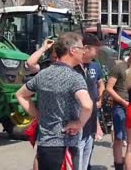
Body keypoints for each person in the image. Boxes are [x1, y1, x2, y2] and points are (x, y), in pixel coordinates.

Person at [16, 32, 93, 170]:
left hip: (45, 144)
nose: (84, 51)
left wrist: (38, 115)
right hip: (67, 144)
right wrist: (79, 123)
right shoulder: (74, 77)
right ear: (72, 50)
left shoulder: (43, 74)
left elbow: (21, 94)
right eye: (82, 48)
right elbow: (87, 105)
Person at [25, 39, 56, 170]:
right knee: (41, 152)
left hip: (63, 115)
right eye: (53, 54)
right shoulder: (46, 66)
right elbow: (30, 63)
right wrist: (43, 48)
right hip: (46, 115)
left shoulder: (70, 67)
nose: (55, 57)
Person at [75, 34, 104, 170]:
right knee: (77, 155)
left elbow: (100, 84)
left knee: (87, 152)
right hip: (78, 119)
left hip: (91, 120)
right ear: (85, 49)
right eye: (95, 50)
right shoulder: (74, 67)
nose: (95, 54)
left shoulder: (95, 66)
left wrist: (100, 98)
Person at [106, 56, 130, 170]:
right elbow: (109, 88)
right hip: (120, 106)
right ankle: (119, 165)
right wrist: (122, 101)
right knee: (119, 137)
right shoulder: (119, 67)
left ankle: (128, 163)